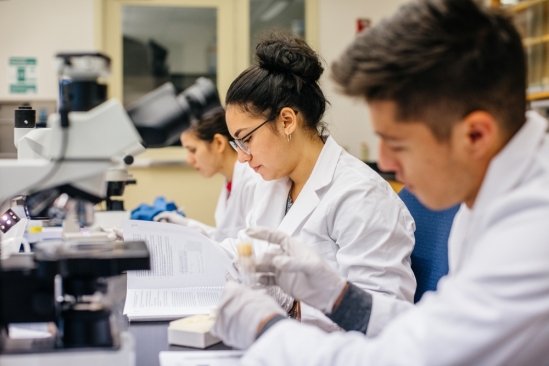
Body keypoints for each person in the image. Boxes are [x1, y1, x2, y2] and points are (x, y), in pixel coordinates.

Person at [211, 0, 549, 364]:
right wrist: (340, 298)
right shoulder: (489, 190)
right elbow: (432, 327)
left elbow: (408, 359)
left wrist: (267, 329)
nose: (384, 162)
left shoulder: (534, 230)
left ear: (476, 135)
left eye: (398, 144)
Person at [215, 31, 416, 331]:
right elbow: (246, 251)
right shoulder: (273, 183)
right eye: (237, 145)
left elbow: (384, 320)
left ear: (286, 121)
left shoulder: (360, 195)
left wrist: (294, 305)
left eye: (246, 140)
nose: (242, 157)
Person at [153, 109, 258, 242]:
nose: (189, 160)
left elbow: (249, 245)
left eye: (193, 150)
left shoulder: (252, 180)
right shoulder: (231, 181)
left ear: (218, 143)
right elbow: (225, 237)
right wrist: (187, 225)